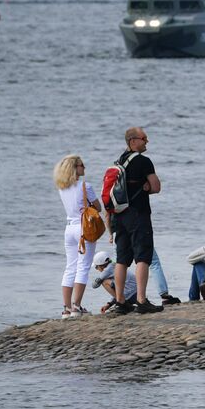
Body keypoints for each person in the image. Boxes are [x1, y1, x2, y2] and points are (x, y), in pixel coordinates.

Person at [111, 126, 164, 314]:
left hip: (120, 214)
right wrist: (148, 187)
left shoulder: (119, 161)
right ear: (133, 141)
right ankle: (141, 300)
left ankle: (120, 301)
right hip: (138, 213)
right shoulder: (143, 161)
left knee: (122, 259)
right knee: (143, 255)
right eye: (144, 138)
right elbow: (157, 187)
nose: (147, 141)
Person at [54, 154, 99, 318]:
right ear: (74, 168)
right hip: (84, 228)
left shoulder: (62, 188)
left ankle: (66, 308)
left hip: (69, 228)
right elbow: (98, 207)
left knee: (70, 267)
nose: (84, 168)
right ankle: (76, 306)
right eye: (81, 165)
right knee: (84, 266)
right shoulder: (85, 186)